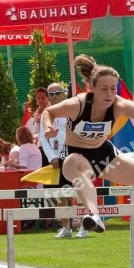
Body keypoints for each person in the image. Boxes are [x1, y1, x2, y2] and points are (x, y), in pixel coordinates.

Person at [42, 54, 134, 234]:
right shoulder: (78, 104)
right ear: (92, 88)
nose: (110, 94)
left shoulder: (119, 105)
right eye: (104, 89)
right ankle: (93, 216)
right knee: (80, 169)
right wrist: (49, 127)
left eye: (113, 88)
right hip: (73, 155)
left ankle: (133, 157)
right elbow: (48, 112)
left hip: (104, 155)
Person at [43, 83, 84, 238]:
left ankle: (83, 226)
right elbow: (43, 138)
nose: (54, 96)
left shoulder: (73, 110)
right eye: (51, 94)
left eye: (57, 93)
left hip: (74, 156)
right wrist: (52, 157)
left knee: (79, 193)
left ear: (64, 94)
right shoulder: (46, 114)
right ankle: (66, 227)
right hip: (57, 159)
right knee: (61, 194)